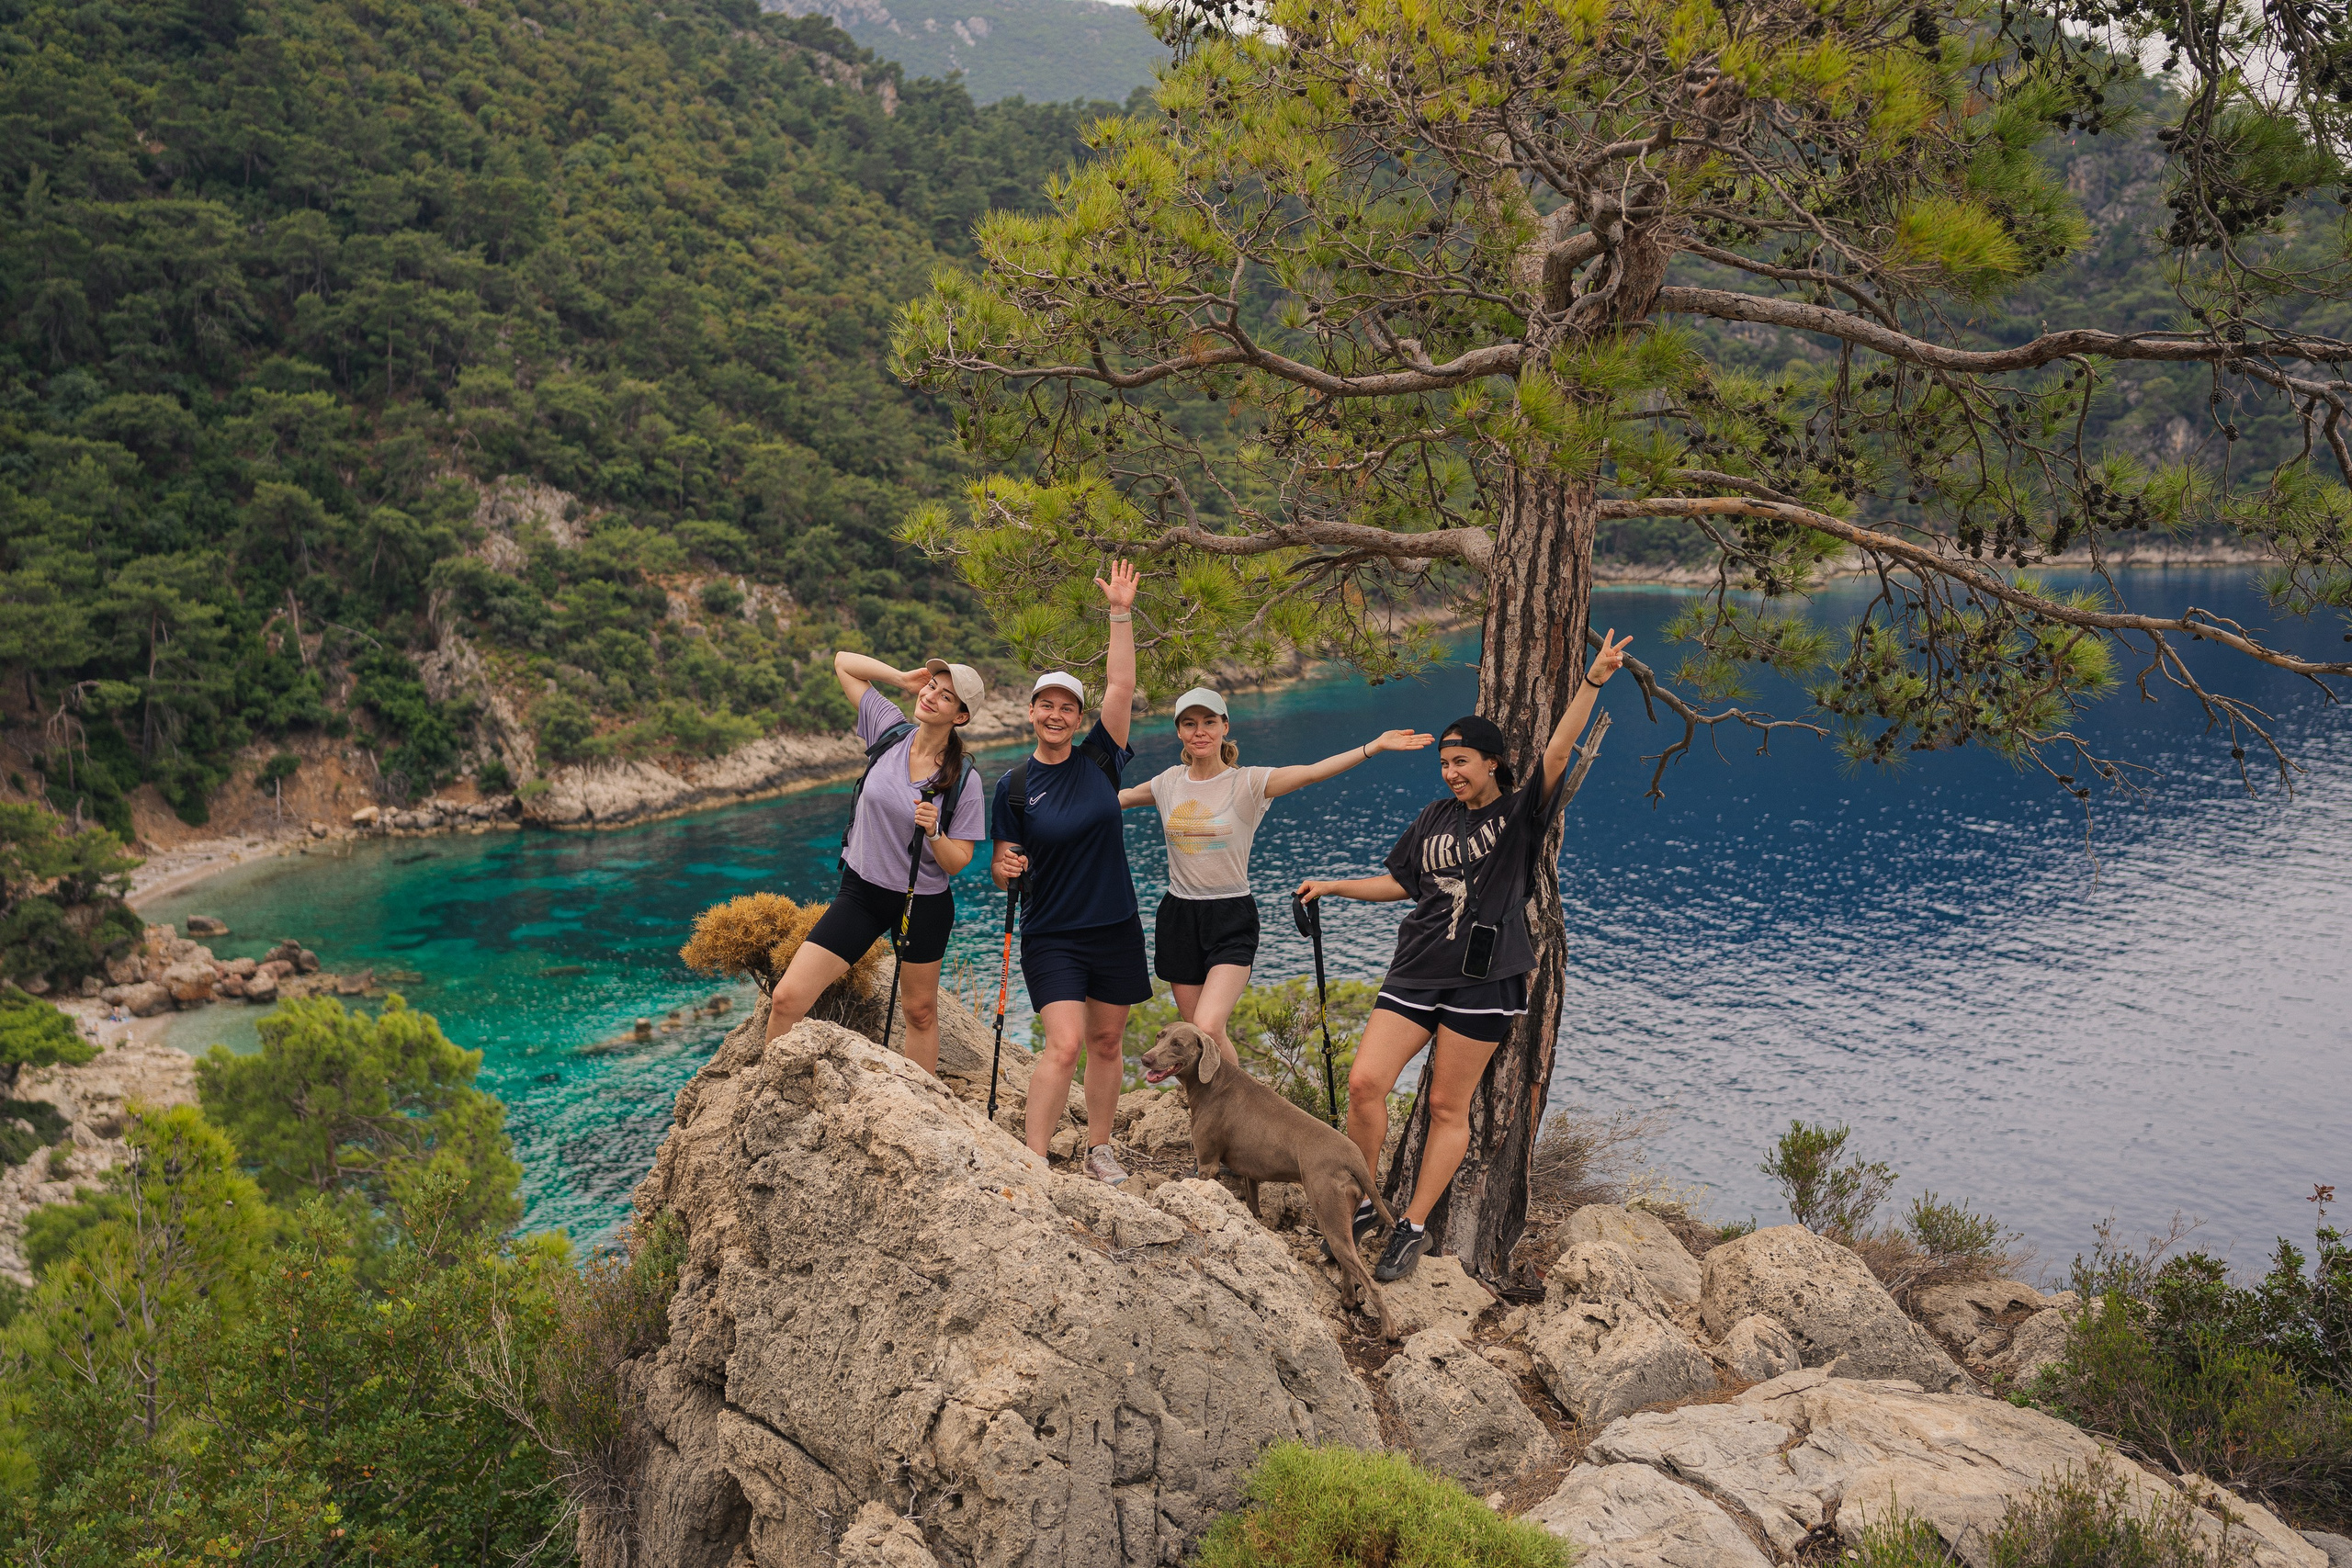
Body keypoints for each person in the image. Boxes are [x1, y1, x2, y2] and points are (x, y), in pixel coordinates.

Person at [1296, 628, 1634, 1282]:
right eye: (1445, 763)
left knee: (1449, 1109)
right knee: (1367, 1084)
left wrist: (1592, 682)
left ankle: (1412, 1225)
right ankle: (1364, 1201)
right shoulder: (1431, 819)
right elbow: (1403, 882)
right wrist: (1335, 884)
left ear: (1493, 763)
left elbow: (1560, 748)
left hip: (1485, 981)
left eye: (1463, 762)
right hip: (1417, 969)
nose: (1452, 772)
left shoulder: (1519, 814)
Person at [1118, 689, 1430, 1068]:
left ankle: (1238, 1112)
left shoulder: (1249, 783)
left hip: (1231, 915)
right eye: (1190, 724)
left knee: (1207, 1027)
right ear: (1180, 732)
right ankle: (1210, 1115)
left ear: (1224, 727)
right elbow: (1118, 798)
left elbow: (1313, 772)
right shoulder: (1168, 782)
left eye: (1209, 723)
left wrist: (1374, 747)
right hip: (1178, 917)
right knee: (1193, 1033)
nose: (1200, 731)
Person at [990, 560, 1148, 1182]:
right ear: (1031, 713)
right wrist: (1003, 867)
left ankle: (1098, 1149)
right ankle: (1032, 1158)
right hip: (1052, 931)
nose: (1056, 714)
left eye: (1067, 707)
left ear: (1079, 719)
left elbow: (1120, 683)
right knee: (1064, 1043)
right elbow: (1006, 868)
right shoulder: (1013, 785)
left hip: (1115, 925)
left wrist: (1120, 612)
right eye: (1045, 705)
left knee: (1107, 1043)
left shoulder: (1100, 763)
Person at [763, 651, 987, 1076]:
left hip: (922, 905)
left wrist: (936, 831)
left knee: (920, 1014)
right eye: (932, 686)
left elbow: (958, 861)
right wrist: (902, 678)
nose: (931, 696)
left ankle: (921, 1109)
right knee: (787, 998)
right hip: (861, 894)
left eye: (946, 696)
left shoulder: (964, 780)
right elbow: (843, 662)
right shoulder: (889, 730)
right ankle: (767, 1088)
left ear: (961, 716)